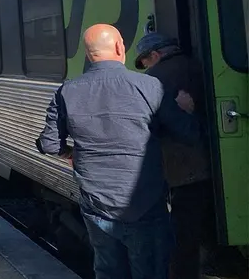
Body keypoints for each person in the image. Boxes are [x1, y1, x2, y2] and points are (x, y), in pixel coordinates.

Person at [36, 24, 200, 279]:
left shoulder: (66, 91)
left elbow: (48, 144)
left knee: (108, 271)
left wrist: (69, 154)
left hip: (97, 204)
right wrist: (183, 108)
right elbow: (188, 132)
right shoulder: (150, 86)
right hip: (144, 204)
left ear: (89, 54)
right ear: (119, 47)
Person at [135, 33, 213, 279]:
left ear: (155, 55)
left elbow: (149, 126)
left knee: (182, 239)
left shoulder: (155, 79)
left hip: (180, 170)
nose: (145, 67)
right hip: (209, 166)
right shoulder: (198, 65)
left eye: (145, 62)